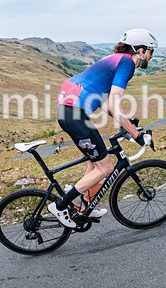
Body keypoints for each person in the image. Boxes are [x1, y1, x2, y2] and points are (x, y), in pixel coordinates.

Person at [48, 28, 157, 228]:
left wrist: (127, 124)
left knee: (97, 161)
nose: (151, 56)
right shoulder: (127, 63)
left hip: (69, 112)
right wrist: (137, 135)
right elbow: (114, 105)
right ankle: (61, 206)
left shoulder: (114, 60)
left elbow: (105, 104)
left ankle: (83, 203)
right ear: (140, 50)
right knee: (106, 167)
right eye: (151, 51)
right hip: (75, 114)